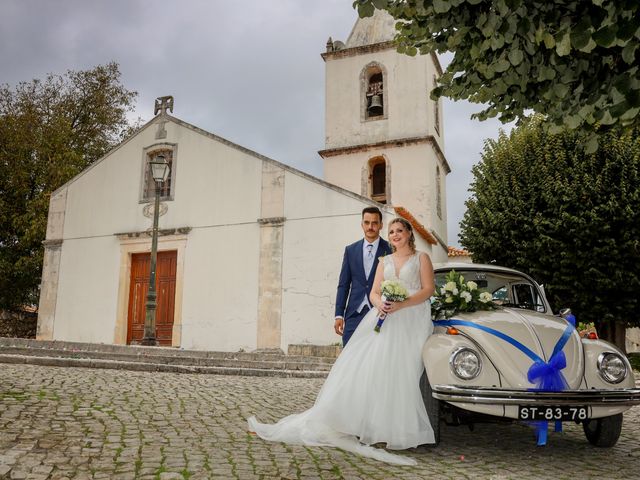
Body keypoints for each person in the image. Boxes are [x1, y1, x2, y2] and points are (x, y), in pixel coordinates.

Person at [248, 217, 436, 465]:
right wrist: (381, 304)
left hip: (412, 319)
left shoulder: (421, 258)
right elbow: (374, 292)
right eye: (391, 232)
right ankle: (371, 426)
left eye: (399, 230)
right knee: (375, 369)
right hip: (385, 317)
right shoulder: (385, 261)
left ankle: (397, 430)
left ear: (409, 233)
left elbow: (427, 290)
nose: (395, 235)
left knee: (403, 373)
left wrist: (402, 304)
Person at [334, 207, 392, 346]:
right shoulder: (350, 250)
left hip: (380, 314)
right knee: (349, 355)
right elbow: (344, 285)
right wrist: (339, 314)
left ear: (381, 225)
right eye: (366, 222)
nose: (370, 227)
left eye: (374, 223)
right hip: (354, 313)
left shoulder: (390, 250)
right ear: (362, 224)